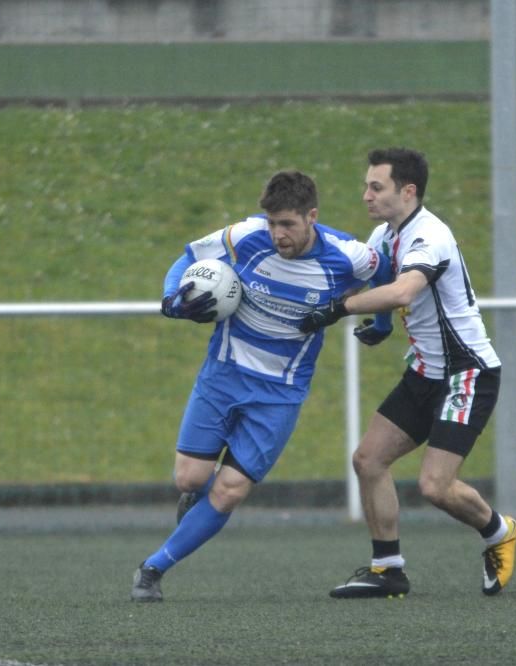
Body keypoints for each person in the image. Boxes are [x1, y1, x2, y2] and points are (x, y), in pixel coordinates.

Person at [131, 170, 392, 602]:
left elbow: (387, 279)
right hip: (222, 376)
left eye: (287, 224)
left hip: (280, 395)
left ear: (312, 217)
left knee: (230, 489)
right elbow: (189, 257)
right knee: (189, 478)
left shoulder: (350, 257)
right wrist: (170, 298)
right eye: (272, 223)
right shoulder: (246, 235)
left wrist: (379, 324)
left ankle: (152, 568)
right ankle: (197, 502)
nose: (277, 234)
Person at [298, 147, 516, 599]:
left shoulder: (431, 237)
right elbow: (380, 283)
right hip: (426, 372)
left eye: (376, 187)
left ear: (408, 191)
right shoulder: (385, 235)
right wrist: (379, 328)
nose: (366, 196)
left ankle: (499, 530)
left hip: (468, 373)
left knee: (435, 486)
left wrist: (337, 309)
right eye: (366, 186)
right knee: (368, 460)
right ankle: (388, 570)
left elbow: (401, 291)